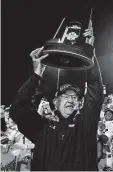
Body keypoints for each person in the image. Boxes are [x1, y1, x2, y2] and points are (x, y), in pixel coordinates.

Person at [9, 29, 103, 170]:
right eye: (65, 96)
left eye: (74, 97)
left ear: (78, 104)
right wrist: (36, 75)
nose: (71, 100)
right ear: (55, 102)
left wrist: (89, 55)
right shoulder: (41, 128)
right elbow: (18, 109)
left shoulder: (84, 127)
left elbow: (95, 90)